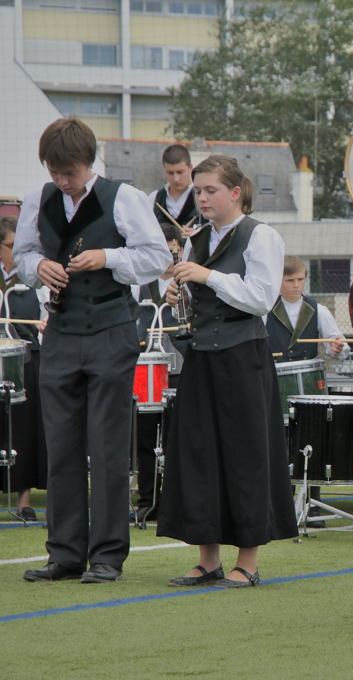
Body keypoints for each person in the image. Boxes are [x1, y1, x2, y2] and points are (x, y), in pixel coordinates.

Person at [16, 117, 171, 583]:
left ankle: (107, 556)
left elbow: (157, 257)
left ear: (90, 163)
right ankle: (64, 553)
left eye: (71, 173)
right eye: (56, 173)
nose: (63, 181)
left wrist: (109, 258)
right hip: (60, 331)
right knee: (60, 446)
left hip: (111, 328)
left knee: (106, 447)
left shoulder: (125, 197)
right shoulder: (37, 199)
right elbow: (22, 257)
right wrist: (39, 266)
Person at [159, 154, 297, 588]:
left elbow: (260, 299)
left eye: (210, 190)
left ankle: (248, 563)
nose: (201, 197)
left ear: (235, 193)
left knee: (246, 456)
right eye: (198, 191)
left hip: (244, 357)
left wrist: (206, 275)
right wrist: (176, 291)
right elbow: (195, 295)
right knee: (199, 454)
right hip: (201, 357)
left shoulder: (262, 236)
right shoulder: (195, 238)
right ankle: (208, 559)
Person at [266, 254, 346, 528]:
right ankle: (281, 507)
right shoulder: (264, 309)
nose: (296, 285)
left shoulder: (317, 309)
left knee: (312, 442)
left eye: (300, 279)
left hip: (311, 386)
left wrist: (338, 348)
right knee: (280, 444)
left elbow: (339, 344)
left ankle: (313, 507)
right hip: (275, 384)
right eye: (290, 280)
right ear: (278, 281)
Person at [131, 221, 189, 524]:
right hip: (148, 370)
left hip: (181, 370)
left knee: (178, 439)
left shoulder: (190, 281)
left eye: (172, 252)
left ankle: (176, 502)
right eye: (163, 252)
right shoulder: (141, 283)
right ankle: (147, 501)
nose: (169, 259)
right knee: (144, 438)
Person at [0, 216, 48, 522]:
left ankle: (24, 499)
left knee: (24, 428)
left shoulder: (35, 280)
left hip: (26, 360)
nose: (16, 252)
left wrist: (47, 325)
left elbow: (48, 315)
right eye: (10, 246)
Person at [149, 144, 198, 236]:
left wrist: (199, 233)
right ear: (164, 170)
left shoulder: (202, 197)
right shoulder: (153, 198)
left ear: (190, 168)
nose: (176, 178)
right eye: (170, 173)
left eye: (180, 172)